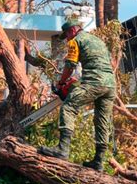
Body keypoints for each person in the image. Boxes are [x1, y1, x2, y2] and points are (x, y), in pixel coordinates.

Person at [39, 20, 116, 171]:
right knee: (102, 120)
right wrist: (80, 81)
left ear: (72, 31)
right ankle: (99, 162)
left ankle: (63, 149)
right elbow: (105, 64)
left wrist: (61, 83)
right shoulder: (98, 40)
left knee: (68, 107)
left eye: (67, 35)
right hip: (110, 85)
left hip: (94, 82)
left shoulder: (76, 41)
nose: (67, 39)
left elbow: (70, 65)